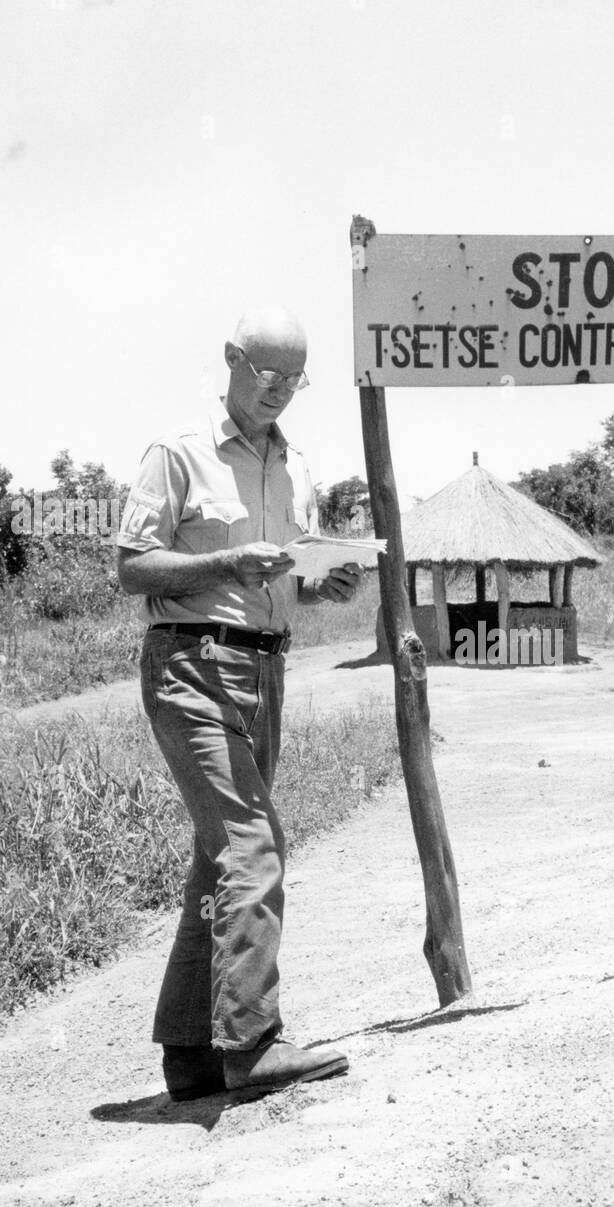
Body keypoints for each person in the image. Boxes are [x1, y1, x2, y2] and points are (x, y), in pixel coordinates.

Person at [116, 305, 360, 1101]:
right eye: (268, 375)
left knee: (218, 857)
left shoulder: (297, 468)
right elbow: (132, 567)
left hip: (265, 671)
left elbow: (290, 579)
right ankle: (252, 1045)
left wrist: (327, 584)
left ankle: (191, 1054)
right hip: (191, 665)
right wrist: (225, 562)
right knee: (253, 846)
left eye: (296, 380)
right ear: (230, 360)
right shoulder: (178, 453)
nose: (282, 391)